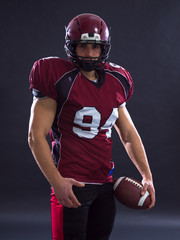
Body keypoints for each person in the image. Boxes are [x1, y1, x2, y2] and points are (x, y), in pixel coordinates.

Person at [28, 13, 155, 240]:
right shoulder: (57, 76)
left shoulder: (117, 80)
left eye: (95, 47)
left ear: (103, 48)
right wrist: (56, 182)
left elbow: (127, 134)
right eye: (83, 47)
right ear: (71, 47)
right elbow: (35, 135)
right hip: (71, 183)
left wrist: (147, 176)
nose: (89, 53)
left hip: (105, 185)